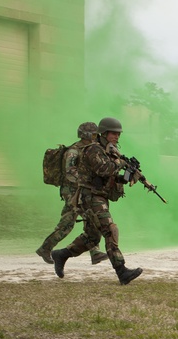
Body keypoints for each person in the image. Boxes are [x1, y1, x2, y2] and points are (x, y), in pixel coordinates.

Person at [51, 117, 143, 285]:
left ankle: (61, 254)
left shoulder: (109, 150)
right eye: (113, 133)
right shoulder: (94, 149)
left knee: (91, 238)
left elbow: (111, 176)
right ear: (104, 133)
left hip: (99, 196)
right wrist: (122, 163)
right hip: (89, 196)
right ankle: (122, 271)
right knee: (110, 229)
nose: (116, 137)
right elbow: (104, 169)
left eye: (118, 134)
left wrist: (128, 176)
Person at [35, 122, 107, 266]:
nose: (96, 137)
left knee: (87, 219)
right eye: (93, 134)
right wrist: (87, 181)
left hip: (80, 191)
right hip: (72, 192)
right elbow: (70, 173)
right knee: (70, 223)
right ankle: (46, 248)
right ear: (85, 135)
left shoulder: (88, 150)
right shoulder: (74, 151)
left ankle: (94, 252)